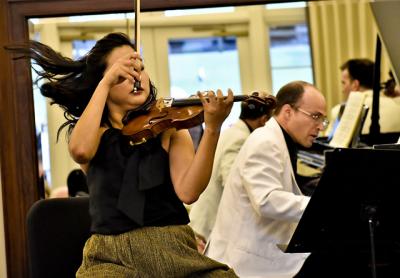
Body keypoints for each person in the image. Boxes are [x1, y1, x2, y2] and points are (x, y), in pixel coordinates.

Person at [17, 32, 238, 277]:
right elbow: (80, 151)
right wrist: (106, 82)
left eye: (140, 68)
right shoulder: (94, 135)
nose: (136, 76)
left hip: (175, 251)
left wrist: (213, 129)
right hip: (110, 257)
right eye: (124, 71)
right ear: (106, 80)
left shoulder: (169, 129)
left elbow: (189, 192)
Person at [205, 80, 328, 278]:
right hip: (246, 263)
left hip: (258, 251)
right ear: (288, 112)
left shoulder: (277, 138)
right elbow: (266, 200)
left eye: (323, 119)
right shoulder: (265, 140)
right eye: (315, 117)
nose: (321, 126)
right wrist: (322, 206)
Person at [189, 92, 276, 248]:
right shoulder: (240, 138)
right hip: (209, 227)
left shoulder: (232, 131)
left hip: (206, 222)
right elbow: (231, 182)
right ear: (263, 121)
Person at [326, 58, 374, 138]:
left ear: (355, 84)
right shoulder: (397, 106)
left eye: (344, 83)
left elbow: (329, 142)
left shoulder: (340, 111)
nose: (343, 90)